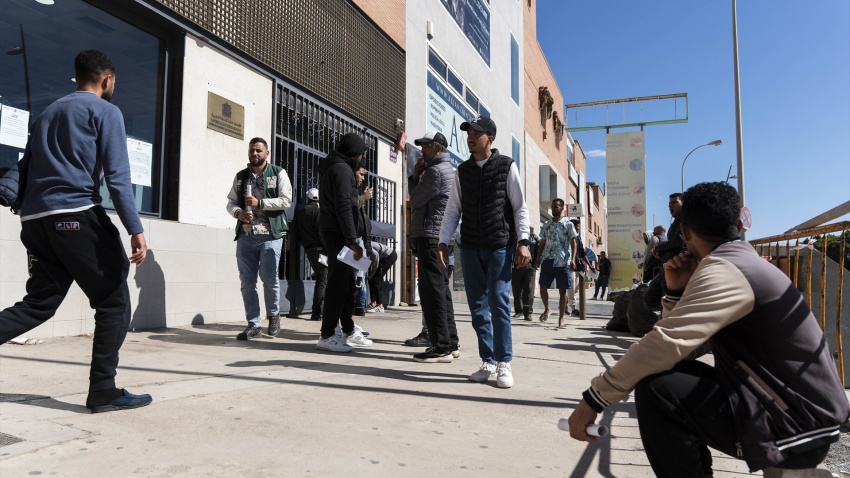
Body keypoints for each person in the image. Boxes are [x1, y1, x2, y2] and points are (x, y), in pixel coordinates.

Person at [567, 182, 850, 477]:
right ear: (740, 223)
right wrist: (676, 294)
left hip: (796, 427)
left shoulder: (724, 269)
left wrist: (593, 399)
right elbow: (683, 351)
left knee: (658, 391)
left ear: (686, 232)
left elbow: (664, 344)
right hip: (805, 417)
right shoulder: (741, 262)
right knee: (661, 378)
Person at [0, 50, 151, 413]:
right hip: (76, 215)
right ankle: (103, 389)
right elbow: (117, 177)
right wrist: (135, 228)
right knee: (114, 301)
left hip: (35, 222)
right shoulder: (105, 112)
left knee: (39, 304)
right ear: (107, 79)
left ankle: (104, 388)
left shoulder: (48, 113)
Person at [437, 116, 530, 388]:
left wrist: (523, 241)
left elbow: (519, 207)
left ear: (490, 137)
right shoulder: (462, 171)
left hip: (500, 244)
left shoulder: (506, 167)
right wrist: (444, 241)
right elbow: (453, 209)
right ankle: (487, 361)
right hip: (470, 246)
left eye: (476, 133)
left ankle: (504, 362)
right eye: (468, 132)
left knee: (499, 302)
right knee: (477, 307)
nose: (470, 137)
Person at [226, 137, 292, 340]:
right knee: (247, 282)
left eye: (258, 151)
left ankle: (273, 316)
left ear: (267, 153)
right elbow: (230, 202)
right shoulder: (241, 176)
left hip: (271, 235)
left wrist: (259, 203)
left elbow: (286, 200)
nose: (254, 153)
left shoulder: (278, 172)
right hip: (246, 235)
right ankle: (253, 324)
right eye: (252, 150)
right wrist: (238, 213)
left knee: (270, 280)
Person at [316, 132, 373, 352]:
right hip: (338, 234)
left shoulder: (336, 167)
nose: (361, 158)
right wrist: (352, 240)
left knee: (348, 284)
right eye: (360, 154)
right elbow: (343, 207)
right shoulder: (342, 170)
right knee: (338, 284)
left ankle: (347, 329)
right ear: (354, 153)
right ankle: (328, 334)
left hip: (337, 232)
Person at [408, 131, 459, 362]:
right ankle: (451, 342)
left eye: (426, 146)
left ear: (439, 148)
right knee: (441, 292)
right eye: (421, 146)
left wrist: (415, 176)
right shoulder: (448, 170)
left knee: (432, 293)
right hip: (438, 238)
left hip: (430, 238)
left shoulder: (435, 172)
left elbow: (416, 199)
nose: (422, 150)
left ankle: (441, 347)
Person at [533, 199, 577, 328]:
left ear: (562, 208)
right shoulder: (546, 224)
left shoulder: (568, 224)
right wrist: (537, 259)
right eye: (552, 207)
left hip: (562, 261)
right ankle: (547, 309)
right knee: (542, 287)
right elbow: (542, 242)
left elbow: (573, 242)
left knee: (562, 291)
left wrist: (573, 259)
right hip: (547, 259)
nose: (553, 209)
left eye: (556, 207)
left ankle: (561, 318)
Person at [645, 193, 686, 307]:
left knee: (664, 300)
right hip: (669, 266)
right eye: (669, 203)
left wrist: (659, 248)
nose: (670, 206)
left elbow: (679, 240)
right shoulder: (677, 221)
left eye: (674, 202)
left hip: (677, 267)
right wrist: (662, 252)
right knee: (654, 296)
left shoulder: (684, 219)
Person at [293, 188, 326, 321]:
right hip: (320, 251)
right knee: (322, 281)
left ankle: (318, 311)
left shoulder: (300, 212)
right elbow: (321, 231)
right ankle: (316, 312)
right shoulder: (318, 212)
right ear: (318, 200)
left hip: (309, 250)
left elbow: (296, 232)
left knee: (321, 280)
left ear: (308, 198)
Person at [512, 227, 539, 321]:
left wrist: (536, 264)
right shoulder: (513, 238)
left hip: (529, 267)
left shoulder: (534, 238)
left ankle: (528, 313)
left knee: (529, 290)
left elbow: (538, 251)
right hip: (516, 266)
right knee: (517, 290)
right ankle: (518, 311)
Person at [365, 242, 397, 313]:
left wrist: (373, 271)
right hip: (381, 257)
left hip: (389, 255)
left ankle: (380, 306)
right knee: (371, 279)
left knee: (376, 279)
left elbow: (375, 255)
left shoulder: (364, 244)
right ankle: (373, 303)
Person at [567, 219, 588, 317]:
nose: (578, 228)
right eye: (577, 226)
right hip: (570, 266)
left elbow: (583, 253)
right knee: (571, 288)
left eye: (579, 226)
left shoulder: (578, 238)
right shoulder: (567, 237)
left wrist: (590, 265)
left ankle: (564, 305)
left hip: (578, 266)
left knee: (576, 289)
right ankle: (574, 309)